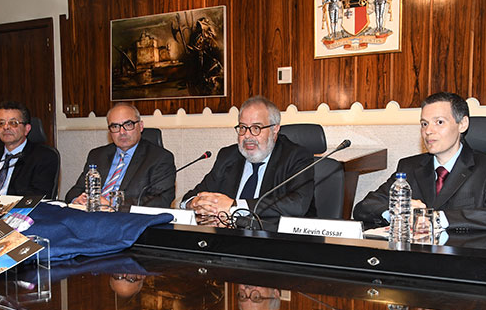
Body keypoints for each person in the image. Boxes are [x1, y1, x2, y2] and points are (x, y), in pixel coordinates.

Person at [353, 92, 486, 231]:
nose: (428, 131)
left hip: (464, 262)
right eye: (424, 124)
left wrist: (437, 218)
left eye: (439, 122)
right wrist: (397, 214)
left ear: (462, 124)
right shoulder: (409, 167)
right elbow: (365, 207)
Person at [181, 95, 315, 230]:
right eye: (243, 127)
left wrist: (234, 206)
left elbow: (298, 204)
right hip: (226, 241)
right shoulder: (228, 156)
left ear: (275, 130)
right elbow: (191, 196)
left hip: (273, 243)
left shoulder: (295, 156)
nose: (247, 136)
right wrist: (195, 203)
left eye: (256, 128)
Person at [65, 102, 176, 209]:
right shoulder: (97, 155)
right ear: (110, 131)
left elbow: (161, 200)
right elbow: (74, 191)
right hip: (90, 216)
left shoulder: (159, 158)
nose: (122, 132)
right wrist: (78, 199)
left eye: (128, 125)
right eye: (115, 126)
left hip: (127, 221)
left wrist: (113, 204)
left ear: (141, 126)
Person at [0, 101, 58, 197]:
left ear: (27, 129)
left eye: (13, 123)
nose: (6, 127)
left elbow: (37, 197)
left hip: (16, 210)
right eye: (1, 123)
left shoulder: (44, 157)